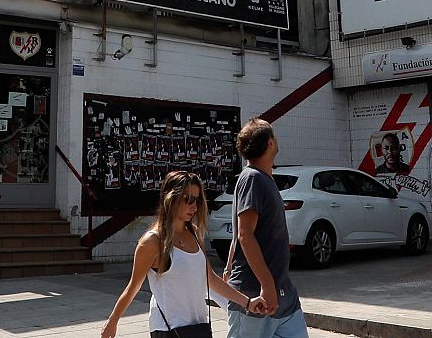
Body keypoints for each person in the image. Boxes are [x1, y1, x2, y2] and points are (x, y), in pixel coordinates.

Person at [102, 171, 260, 338]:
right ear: (170, 199)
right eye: (188, 199)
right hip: (169, 329)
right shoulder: (153, 242)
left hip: (199, 327)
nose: (194, 206)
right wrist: (113, 321)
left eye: (197, 200)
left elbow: (210, 279)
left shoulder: (195, 233)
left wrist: (247, 303)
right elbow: (133, 287)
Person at [225, 119, 307, 338]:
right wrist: (266, 285)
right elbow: (245, 234)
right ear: (270, 142)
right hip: (256, 292)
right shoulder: (252, 178)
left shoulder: (263, 178)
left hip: (283, 292)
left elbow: (239, 234)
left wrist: (228, 265)